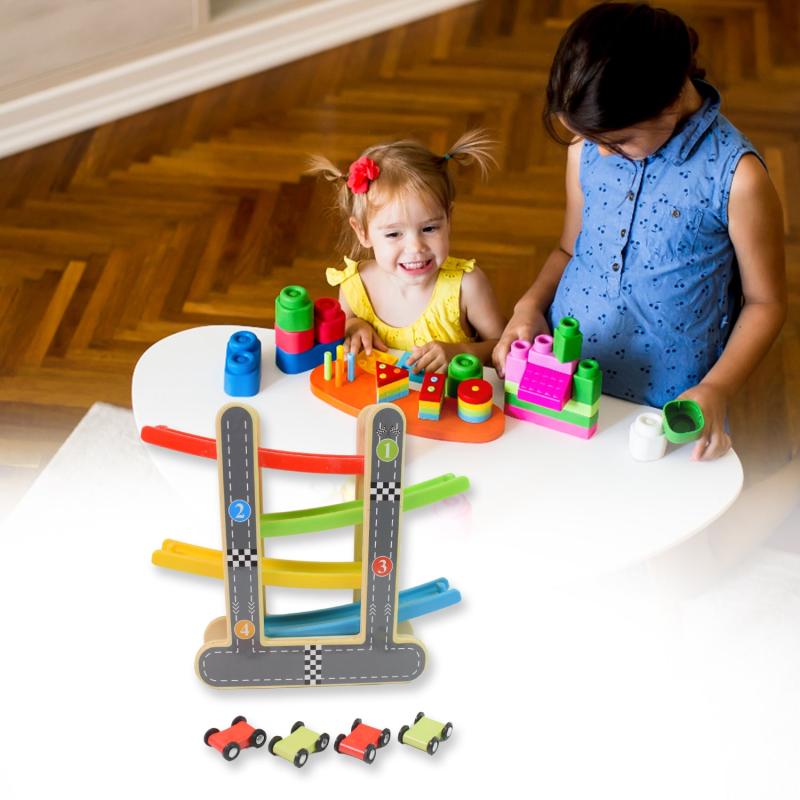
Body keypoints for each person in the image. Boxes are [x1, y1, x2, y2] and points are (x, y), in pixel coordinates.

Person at [492, 2, 786, 461]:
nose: (600, 154)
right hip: (565, 377)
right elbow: (568, 249)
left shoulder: (737, 178)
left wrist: (717, 389)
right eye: (593, 140)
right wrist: (528, 307)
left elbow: (765, 303)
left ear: (669, 100)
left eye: (617, 142)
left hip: (664, 401)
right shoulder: (587, 146)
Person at [308, 131, 505, 374]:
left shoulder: (468, 286)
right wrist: (353, 326)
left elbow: (502, 349)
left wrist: (462, 352)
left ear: (448, 219)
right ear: (362, 232)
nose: (416, 247)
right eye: (394, 234)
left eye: (429, 228)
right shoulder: (355, 286)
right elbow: (339, 339)